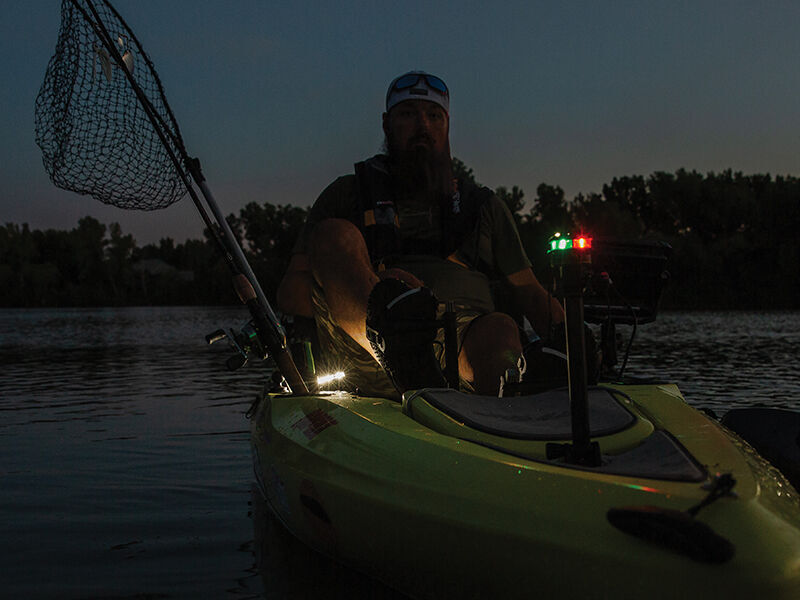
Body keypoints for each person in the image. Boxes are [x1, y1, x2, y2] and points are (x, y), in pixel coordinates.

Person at [277, 71, 564, 398]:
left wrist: (576, 342)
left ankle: (501, 411)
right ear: (387, 124)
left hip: (461, 342)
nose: (422, 126)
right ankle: (404, 354)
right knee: (334, 234)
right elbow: (290, 293)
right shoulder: (346, 195)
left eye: (433, 116)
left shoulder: (484, 206)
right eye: (408, 115)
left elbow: (530, 291)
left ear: (447, 125)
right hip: (366, 350)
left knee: (499, 330)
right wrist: (379, 290)